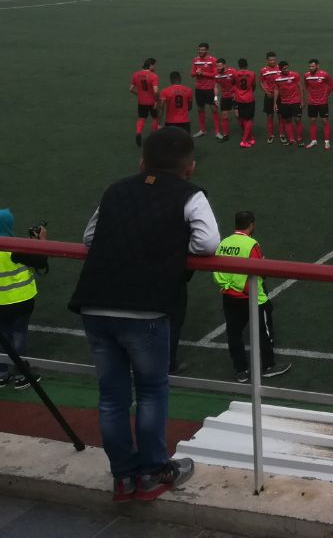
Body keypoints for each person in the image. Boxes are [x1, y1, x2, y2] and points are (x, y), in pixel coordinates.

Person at [69, 127, 220, 502]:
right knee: (151, 391)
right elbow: (207, 243)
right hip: (145, 309)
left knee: (112, 397)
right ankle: (152, 471)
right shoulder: (190, 194)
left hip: (95, 302)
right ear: (190, 166)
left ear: (142, 163)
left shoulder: (116, 190)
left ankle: (123, 477)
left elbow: (89, 237)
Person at [213, 211, 291, 383]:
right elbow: (260, 271)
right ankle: (269, 366)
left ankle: (241, 370)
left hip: (229, 295)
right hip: (252, 296)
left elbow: (216, 268)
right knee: (264, 332)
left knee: (234, 334)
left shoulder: (223, 243)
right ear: (251, 224)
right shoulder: (251, 244)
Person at [0, 209, 48, 390]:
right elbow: (40, 262)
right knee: (18, 336)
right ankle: (22, 376)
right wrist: (41, 240)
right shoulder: (16, 248)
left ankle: (1, 374)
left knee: (3, 337)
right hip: (21, 301)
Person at [303, 59, 333, 150]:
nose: (311, 68)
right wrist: (309, 96)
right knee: (312, 121)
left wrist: (326, 94)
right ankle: (313, 141)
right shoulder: (306, 75)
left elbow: (331, 85)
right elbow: (306, 86)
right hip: (312, 102)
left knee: (324, 121)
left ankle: (327, 141)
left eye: (313, 66)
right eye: (309, 66)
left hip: (323, 102)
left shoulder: (324, 75)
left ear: (317, 66)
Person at [130, 58, 160, 147]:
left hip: (141, 101)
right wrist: (156, 101)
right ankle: (154, 137)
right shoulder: (153, 76)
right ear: (150, 66)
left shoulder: (135, 74)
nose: (155, 67)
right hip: (152, 102)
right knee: (155, 118)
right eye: (154, 65)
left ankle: (138, 132)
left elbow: (131, 89)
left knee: (142, 118)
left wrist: (139, 94)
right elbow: (155, 91)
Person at [274, 61, 304, 147]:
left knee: (297, 120)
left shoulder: (295, 75)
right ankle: (291, 139)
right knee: (287, 120)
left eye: (287, 68)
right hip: (284, 102)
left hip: (295, 101)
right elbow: (276, 89)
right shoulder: (277, 77)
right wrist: (275, 103)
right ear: (280, 69)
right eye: (284, 69)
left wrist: (302, 100)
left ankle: (299, 138)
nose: (286, 70)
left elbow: (301, 88)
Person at [190, 43, 218, 138]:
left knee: (214, 109)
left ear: (207, 50)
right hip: (199, 89)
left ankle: (217, 131)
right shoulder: (195, 60)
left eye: (202, 50)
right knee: (200, 109)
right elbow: (192, 74)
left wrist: (202, 73)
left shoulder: (213, 60)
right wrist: (196, 73)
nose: (200, 51)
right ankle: (202, 130)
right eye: (199, 50)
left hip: (210, 89)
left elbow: (215, 74)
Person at [232, 59, 257, 148]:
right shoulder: (252, 74)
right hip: (249, 99)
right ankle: (244, 140)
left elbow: (233, 84)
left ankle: (250, 137)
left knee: (242, 118)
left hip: (239, 99)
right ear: (247, 65)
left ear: (239, 65)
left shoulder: (235, 74)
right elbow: (254, 86)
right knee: (249, 119)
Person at [259, 52, 282, 144]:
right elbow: (261, 82)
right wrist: (266, 92)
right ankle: (271, 135)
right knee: (269, 116)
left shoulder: (280, 69)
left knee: (280, 116)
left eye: (274, 60)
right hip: (269, 96)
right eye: (270, 60)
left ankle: (282, 134)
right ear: (267, 61)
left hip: (280, 96)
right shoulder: (263, 70)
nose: (273, 61)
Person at [212, 58, 234, 142]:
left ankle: (244, 130)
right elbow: (216, 86)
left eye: (219, 66)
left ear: (224, 65)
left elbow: (237, 82)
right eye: (217, 66)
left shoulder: (232, 72)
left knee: (237, 115)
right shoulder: (216, 74)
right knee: (224, 116)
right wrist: (215, 98)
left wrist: (236, 93)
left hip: (234, 96)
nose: (218, 68)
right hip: (225, 97)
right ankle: (225, 135)